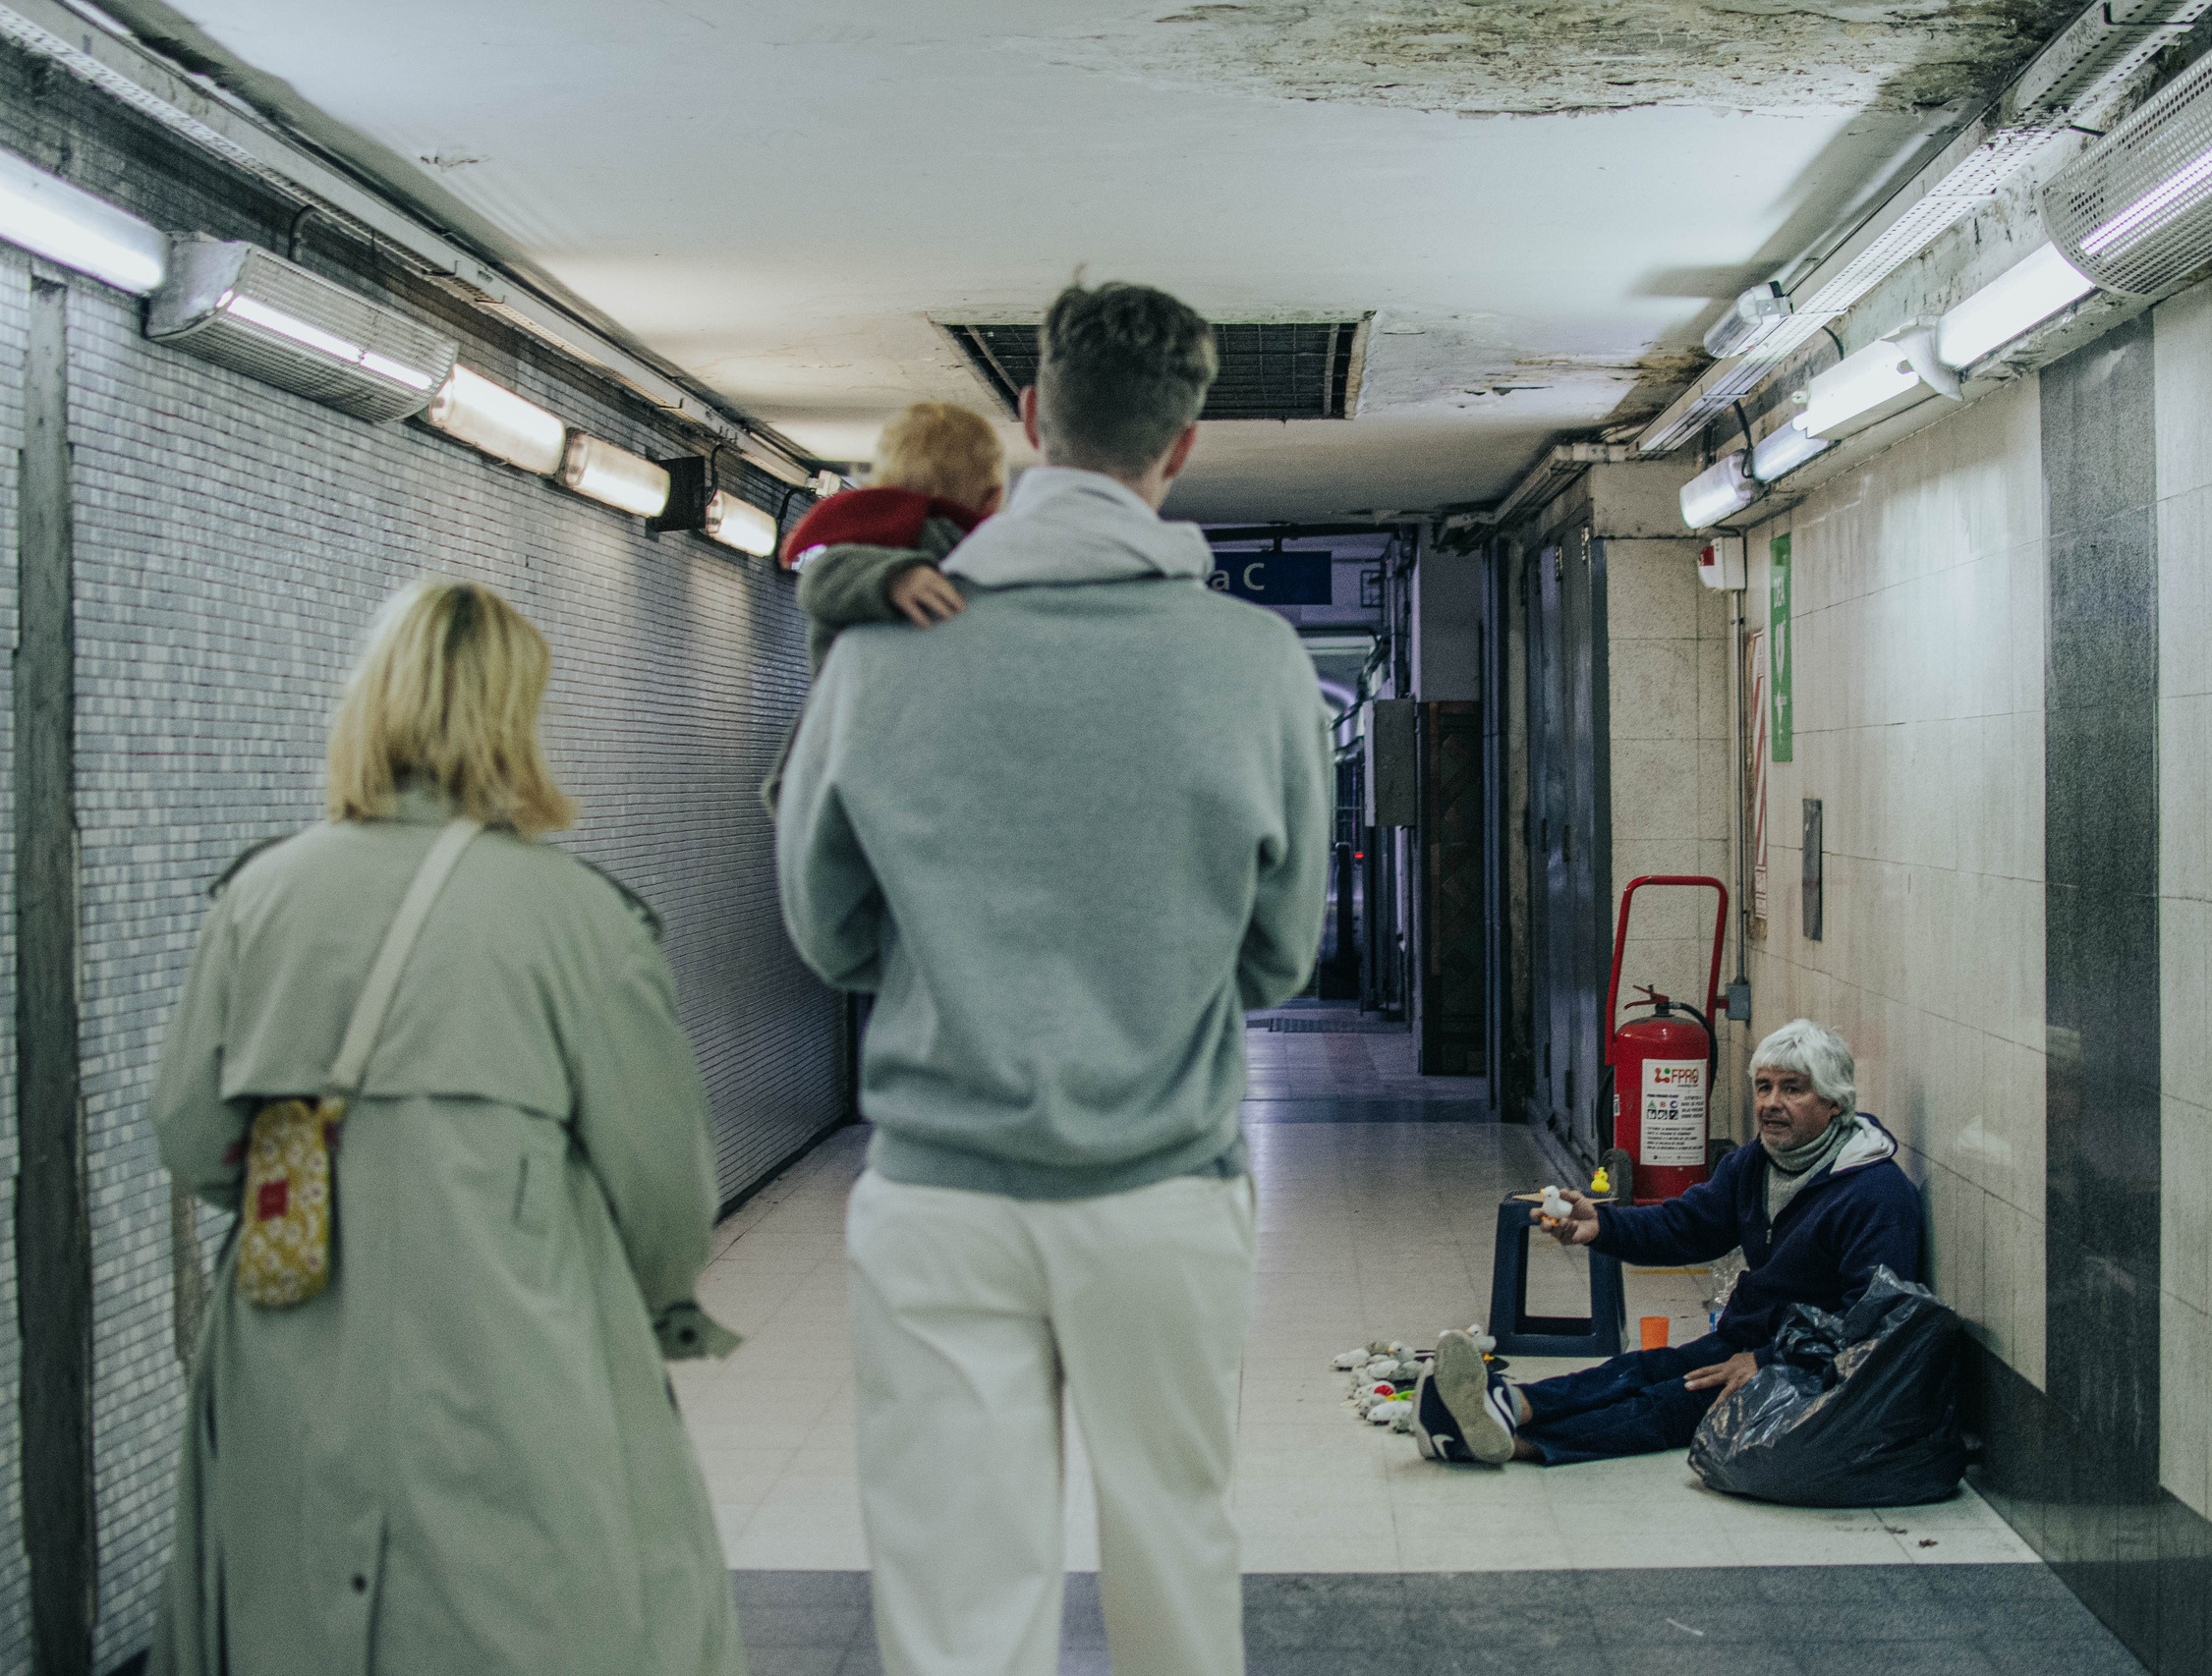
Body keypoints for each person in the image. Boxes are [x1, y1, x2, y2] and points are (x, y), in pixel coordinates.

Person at [775, 281, 1331, 1676]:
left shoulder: (884, 652)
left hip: (942, 1196)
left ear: (1030, 421)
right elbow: (1282, 952)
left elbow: (829, 932)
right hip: (1165, 1188)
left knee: (960, 1594)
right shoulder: (1257, 662)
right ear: (1182, 446)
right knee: (1175, 1554)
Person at [148, 579, 744, 1676]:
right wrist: (653, 1307)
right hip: (516, 1352)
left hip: (291, 1352)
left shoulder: (259, 898)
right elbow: (663, 1188)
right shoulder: (580, 920)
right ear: (517, 716)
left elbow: (191, 1135)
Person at [1413, 1019, 1922, 1469]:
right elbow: (1686, 1227)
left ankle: (1501, 1442)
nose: (1770, 1104)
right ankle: (1503, 1402)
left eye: (1792, 1089)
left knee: (1669, 1402)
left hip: (1812, 1366)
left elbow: (1869, 1323)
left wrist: (1766, 1362)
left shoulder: (1875, 1195)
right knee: (1642, 1369)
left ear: (1835, 1103)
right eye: (1763, 1087)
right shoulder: (1753, 1165)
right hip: (1748, 1338)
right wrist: (1603, 1227)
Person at [781, 399, 1007, 669]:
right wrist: (896, 578)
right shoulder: (951, 546)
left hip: (843, 703)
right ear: (993, 499)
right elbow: (818, 580)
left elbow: (817, 578)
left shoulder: (862, 529)